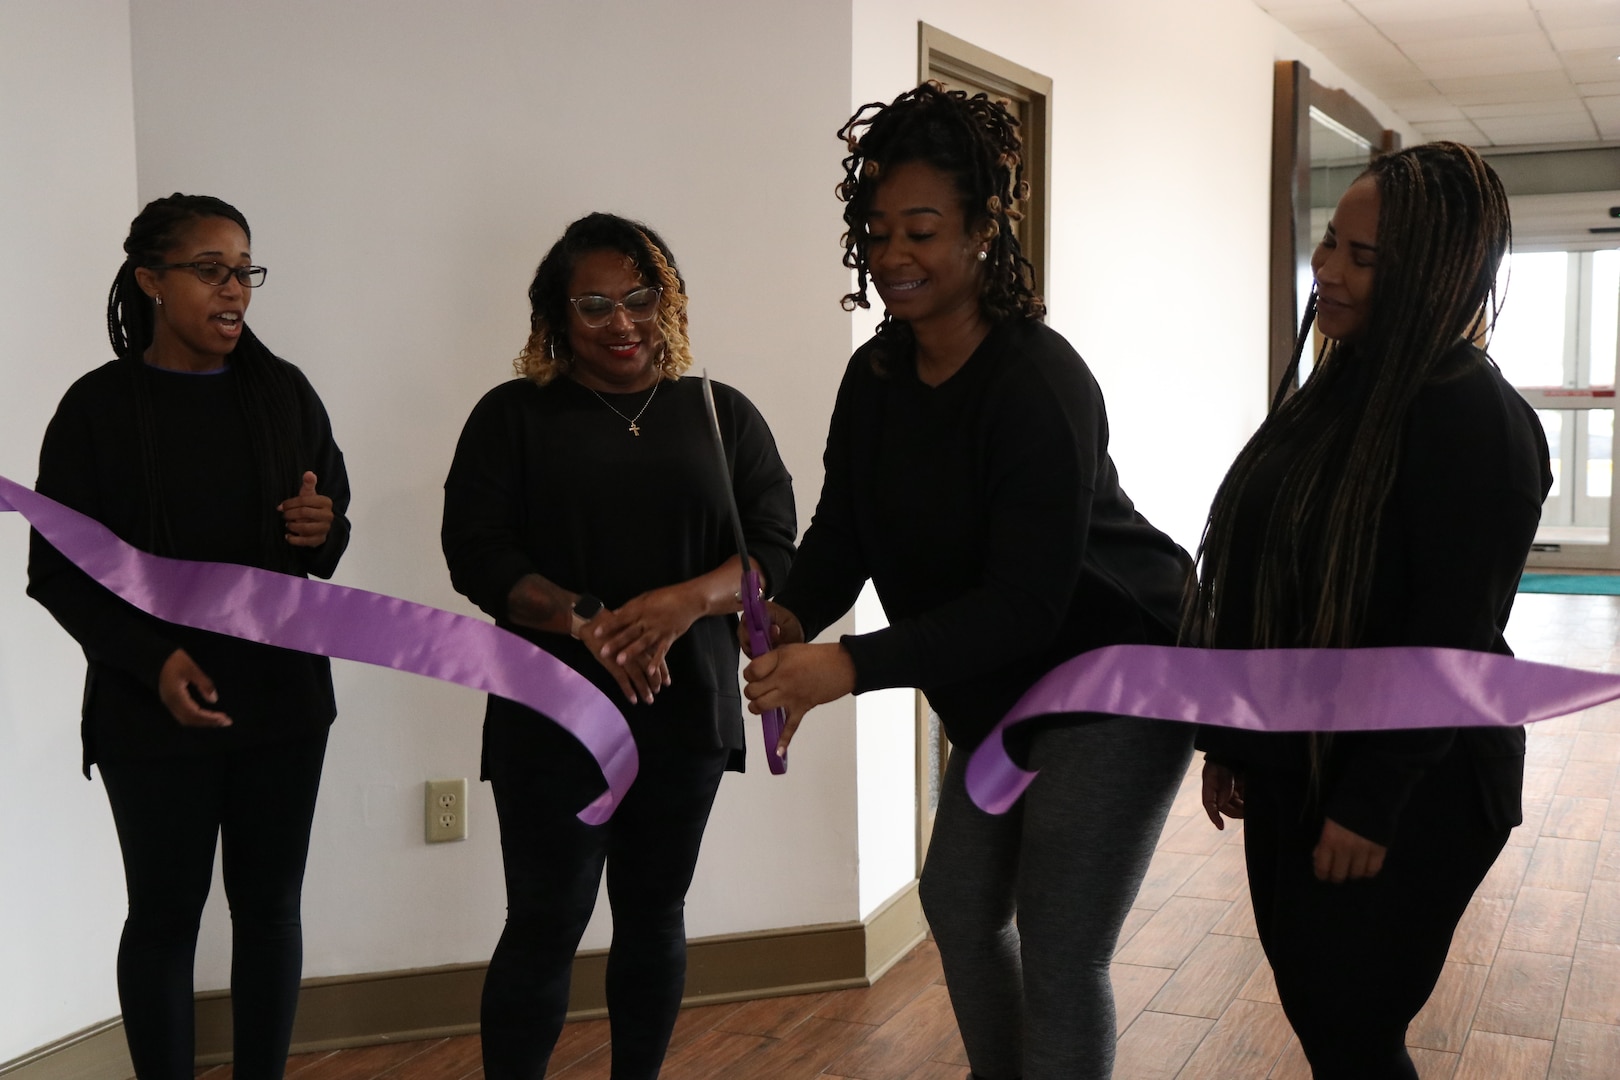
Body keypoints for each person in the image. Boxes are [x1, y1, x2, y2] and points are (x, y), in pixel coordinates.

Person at [740, 83, 1195, 1080]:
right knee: (957, 901)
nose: (892, 253)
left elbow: (1027, 605)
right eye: (876, 228)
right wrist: (791, 610)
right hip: (1001, 686)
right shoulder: (877, 378)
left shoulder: (1040, 383)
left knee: (1063, 942)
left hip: (1113, 680)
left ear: (986, 230)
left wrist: (846, 668)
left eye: (922, 229)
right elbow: (843, 530)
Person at [1192, 142, 1552, 1079]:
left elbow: (1451, 637)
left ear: (1435, 271)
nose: (1329, 271)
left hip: (1412, 781)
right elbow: (1264, 563)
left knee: (1352, 1025)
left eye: (1364, 257)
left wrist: (1372, 801)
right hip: (1296, 758)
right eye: (1330, 246)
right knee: (1320, 1013)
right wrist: (1234, 741)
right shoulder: (1342, 383)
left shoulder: (1476, 420)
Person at [440, 212, 795, 1080]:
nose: (622, 322)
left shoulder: (720, 411)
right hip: (552, 710)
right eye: (594, 304)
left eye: (639, 297)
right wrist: (587, 620)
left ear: (666, 298)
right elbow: (476, 553)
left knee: (653, 913)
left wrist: (681, 603)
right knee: (546, 921)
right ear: (556, 316)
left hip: (687, 711)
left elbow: (776, 550)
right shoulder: (513, 416)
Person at [27, 194, 351, 1079]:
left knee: (270, 911)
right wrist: (152, 660)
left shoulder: (285, 394)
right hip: (149, 708)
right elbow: (55, 571)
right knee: (166, 920)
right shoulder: (96, 411)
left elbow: (330, 531)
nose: (234, 289)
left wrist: (324, 528)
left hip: (283, 704)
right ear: (150, 281)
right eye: (210, 270)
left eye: (244, 270)